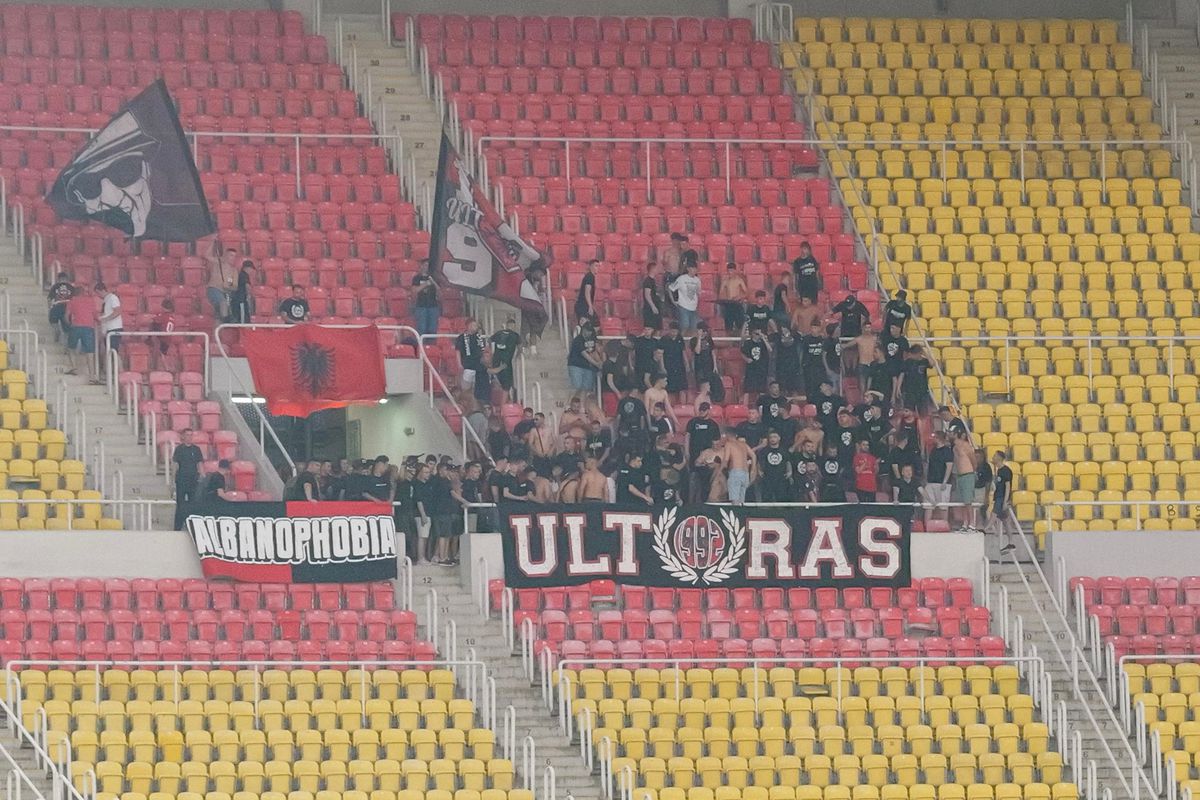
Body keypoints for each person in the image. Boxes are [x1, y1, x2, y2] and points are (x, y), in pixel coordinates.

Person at [65, 285, 99, 381]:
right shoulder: (90, 301)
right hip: (88, 327)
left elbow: (66, 315)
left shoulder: (72, 301)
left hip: (76, 326)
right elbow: (95, 315)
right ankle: (92, 375)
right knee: (90, 352)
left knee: (71, 348)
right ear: (83, 292)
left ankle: (74, 367)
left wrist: (69, 325)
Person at [172, 429, 203, 530]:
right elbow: (175, 465)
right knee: (180, 505)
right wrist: (173, 479)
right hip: (181, 480)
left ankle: (192, 527)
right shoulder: (179, 449)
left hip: (193, 481)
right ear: (183, 436)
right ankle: (177, 527)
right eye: (187, 435)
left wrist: (203, 476)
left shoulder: (196, 449)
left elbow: (200, 464)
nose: (189, 437)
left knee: (192, 504)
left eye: (191, 435)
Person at [986, 451, 1016, 554]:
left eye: (994, 456)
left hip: (1002, 497)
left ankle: (986, 529)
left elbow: (1007, 486)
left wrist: (1005, 501)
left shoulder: (1005, 471)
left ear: (999, 458)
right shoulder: (998, 470)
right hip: (999, 496)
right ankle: (1011, 542)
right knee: (1005, 520)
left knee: (994, 513)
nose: (992, 457)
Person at [921, 432, 955, 522]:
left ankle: (944, 525)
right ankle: (927, 526)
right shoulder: (933, 450)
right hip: (931, 481)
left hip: (942, 483)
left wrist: (945, 481)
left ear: (939, 438)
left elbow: (949, 467)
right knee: (928, 505)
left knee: (943, 506)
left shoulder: (947, 451)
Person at [428, 462, 457, 565]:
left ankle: (443, 556)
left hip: (444, 511)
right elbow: (453, 494)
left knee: (446, 535)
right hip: (441, 511)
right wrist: (464, 501)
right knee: (443, 535)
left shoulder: (442, 481)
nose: (448, 472)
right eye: (446, 469)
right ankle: (442, 557)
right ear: (440, 470)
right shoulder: (441, 481)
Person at [691, 323, 724, 403]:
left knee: (710, 388)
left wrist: (715, 366)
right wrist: (699, 337)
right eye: (702, 331)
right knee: (704, 389)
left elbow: (712, 353)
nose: (704, 333)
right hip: (700, 368)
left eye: (705, 331)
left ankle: (709, 404)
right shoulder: (693, 340)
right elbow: (697, 351)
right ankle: (701, 403)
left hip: (709, 367)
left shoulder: (709, 339)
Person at [490, 317, 521, 402]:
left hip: (495, 362)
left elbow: (489, 340)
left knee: (497, 383)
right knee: (506, 385)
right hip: (506, 364)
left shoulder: (498, 333)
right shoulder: (515, 335)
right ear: (513, 326)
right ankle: (503, 405)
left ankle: (501, 403)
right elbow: (520, 348)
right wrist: (517, 356)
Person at [952, 430, 978, 530]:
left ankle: (972, 522)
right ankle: (965, 522)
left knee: (968, 500)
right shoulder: (954, 448)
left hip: (968, 474)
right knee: (963, 501)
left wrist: (973, 470)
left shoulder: (966, 446)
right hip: (960, 476)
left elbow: (973, 459)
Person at [567, 323, 603, 395]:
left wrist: (600, 362)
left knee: (586, 387)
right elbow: (585, 354)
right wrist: (596, 364)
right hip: (576, 364)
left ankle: (582, 406)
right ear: (583, 330)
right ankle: (568, 403)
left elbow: (594, 352)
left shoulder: (592, 338)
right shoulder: (578, 340)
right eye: (587, 330)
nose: (589, 332)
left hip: (587, 366)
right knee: (577, 386)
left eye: (590, 331)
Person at [669, 259, 702, 333]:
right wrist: (673, 301)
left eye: (695, 268)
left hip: (693, 307)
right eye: (693, 268)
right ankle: (681, 341)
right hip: (683, 306)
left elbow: (698, 293)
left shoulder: (697, 280)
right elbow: (670, 288)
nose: (694, 270)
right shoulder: (681, 279)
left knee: (693, 328)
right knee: (685, 326)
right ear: (688, 269)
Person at [455, 318, 487, 394]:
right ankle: (465, 402)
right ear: (468, 326)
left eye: (476, 325)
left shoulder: (479, 337)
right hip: (468, 366)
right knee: (466, 388)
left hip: (479, 367)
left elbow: (483, 350)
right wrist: (459, 364)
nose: (476, 327)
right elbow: (458, 351)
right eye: (474, 325)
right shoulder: (461, 337)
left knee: (477, 388)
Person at [758, 430, 791, 502]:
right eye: (771, 437)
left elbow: (787, 461)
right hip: (767, 477)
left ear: (779, 438)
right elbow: (759, 461)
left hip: (781, 477)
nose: (773, 439)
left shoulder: (784, 450)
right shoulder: (764, 451)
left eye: (775, 437)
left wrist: (789, 471)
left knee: (782, 498)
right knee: (767, 498)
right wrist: (759, 470)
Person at [206, 245, 238, 319]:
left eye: (234, 256)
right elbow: (207, 256)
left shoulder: (234, 271)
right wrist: (212, 243)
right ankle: (226, 321)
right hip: (214, 289)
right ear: (226, 256)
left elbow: (235, 286)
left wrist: (228, 287)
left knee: (218, 317)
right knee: (223, 303)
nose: (233, 258)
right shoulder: (218, 262)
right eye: (231, 255)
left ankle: (218, 328)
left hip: (225, 293)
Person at [97, 283, 123, 370]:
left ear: (102, 290)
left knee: (114, 351)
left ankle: (120, 371)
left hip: (114, 328)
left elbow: (118, 311)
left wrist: (106, 319)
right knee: (109, 350)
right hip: (108, 329)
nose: (98, 296)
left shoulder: (113, 298)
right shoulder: (105, 300)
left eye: (98, 293)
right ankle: (112, 371)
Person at [723, 434, 755, 505]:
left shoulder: (729, 444)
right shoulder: (744, 445)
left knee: (735, 500)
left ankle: (736, 515)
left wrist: (721, 470)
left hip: (735, 472)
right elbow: (753, 455)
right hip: (745, 473)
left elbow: (726, 459)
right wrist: (753, 470)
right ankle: (741, 515)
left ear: (728, 436)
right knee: (741, 501)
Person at [741, 328, 770, 405]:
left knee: (761, 391)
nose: (758, 336)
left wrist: (764, 338)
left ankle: (759, 406)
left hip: (761, 369)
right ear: (752, 334)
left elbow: (770, 350)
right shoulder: (748, 343)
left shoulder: (762, 343)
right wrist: (746, 359)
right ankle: (745, 408)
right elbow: (742, 352)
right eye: (757, 334)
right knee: (747, 390)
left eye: (759, 334)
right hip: (751, 370)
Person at [717, 262, 747, 333]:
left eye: (732, 270)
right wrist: (725, 298)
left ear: (735, 271)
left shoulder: (739, 280)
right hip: (728, 305)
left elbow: (746, 293)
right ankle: (729, 341)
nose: (730, 272)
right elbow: (720, 294)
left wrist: (739, 297)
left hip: (737, 304)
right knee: (728, 326)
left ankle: (739, 341)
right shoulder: (725, 281)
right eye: (729, 271)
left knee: (740, 325)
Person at [412, 267, 440, 336]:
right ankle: (422, 345)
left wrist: (433, 282)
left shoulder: (435, 278)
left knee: (433, 329)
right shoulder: (416, 278)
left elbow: (439, 291)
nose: (426, 267)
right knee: (422, 328)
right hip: (421, 306)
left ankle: (432, 346)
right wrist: (425, 284)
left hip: (433, 306)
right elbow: (415, 290)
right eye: (425, 265)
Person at [47, 272, 74, 344]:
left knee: (53, 321)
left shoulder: (55, 286)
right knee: (66, 329)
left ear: (58, 279)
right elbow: (74, 299)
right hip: (67, 307)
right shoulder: (71, 287)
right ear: (67, 279)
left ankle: (57, 330)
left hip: (57, 305)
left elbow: (49, 298)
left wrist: (50, 308)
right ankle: (66, 346)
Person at [641, 261, 663, 330]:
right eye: (656, 268)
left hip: (656, 306)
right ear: (652, 269)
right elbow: (647, 295)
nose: (658, 270)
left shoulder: (653, 281)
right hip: (650, 309)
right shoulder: (648, 281)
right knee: (650, 328)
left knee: (657, 328)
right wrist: (653, 306)